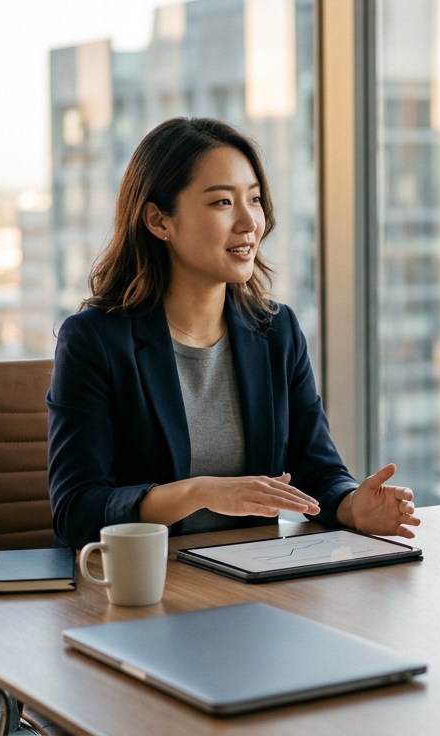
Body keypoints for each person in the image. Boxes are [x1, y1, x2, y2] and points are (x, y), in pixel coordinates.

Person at [48, 117, 419, 550]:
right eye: (223, 202)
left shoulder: (276, 331)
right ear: (158, 220)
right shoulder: (94, 341)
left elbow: (318, 471)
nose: (249, 223)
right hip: (145, 588)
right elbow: (76, 510)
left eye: (255, 199)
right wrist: (198, 492)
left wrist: (352, 505)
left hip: (248, 577)